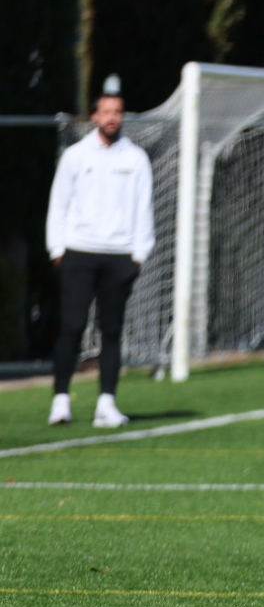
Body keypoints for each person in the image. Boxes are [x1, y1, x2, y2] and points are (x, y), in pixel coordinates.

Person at [46, 79, 154, 428]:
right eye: (106, 112)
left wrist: (138, 254)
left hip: (120, 257)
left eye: (117, 112)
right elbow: (59, 203)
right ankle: (60, 400)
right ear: (94, 116)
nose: (112, 118)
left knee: (111, 331)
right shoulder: (75, 156)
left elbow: (144, 209)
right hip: (79, 253)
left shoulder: (136, 158)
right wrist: (57, 249)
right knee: (72, 326)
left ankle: (106, 403)